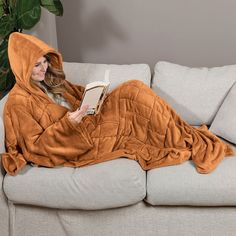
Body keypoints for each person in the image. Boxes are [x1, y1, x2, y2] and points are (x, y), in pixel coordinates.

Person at [1, 32, 233, 176]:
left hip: (90, 120)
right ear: (22, 67)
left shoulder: (51, 81)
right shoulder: (18, 103)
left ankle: (181, 134)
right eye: (35, 66)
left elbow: (78, 94)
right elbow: (36, 148)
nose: (42, 69)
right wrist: (69, 123)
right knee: (134, 98)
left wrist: (96, 95)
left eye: (44, 63)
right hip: (80, 141)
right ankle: (183, 139)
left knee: (133, 88)